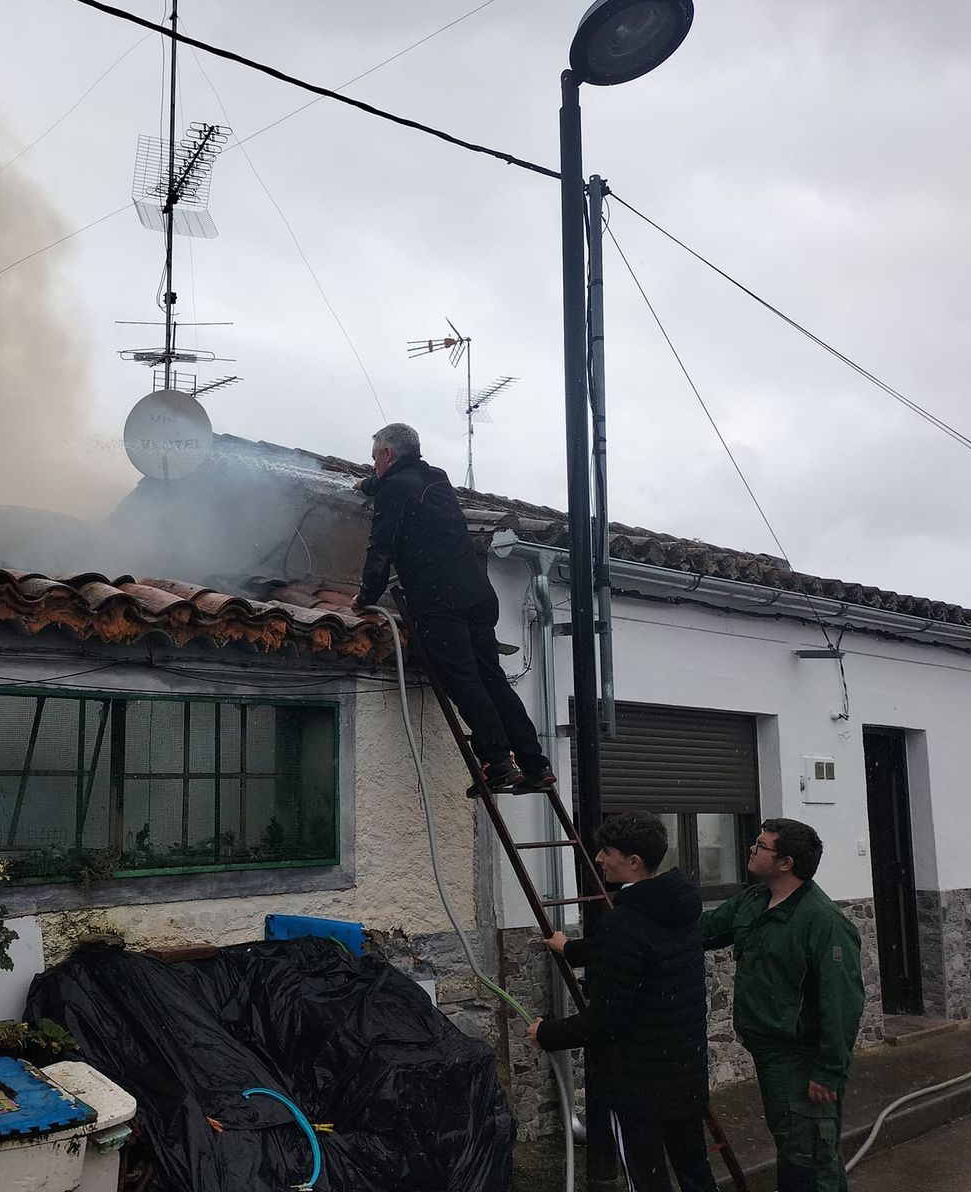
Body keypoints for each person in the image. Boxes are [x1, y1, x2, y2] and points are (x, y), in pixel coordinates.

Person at [349, 422, 553, 790]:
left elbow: (380, 550)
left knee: (463, 680)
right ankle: (535, 765)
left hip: (439, 601)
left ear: (388, 454)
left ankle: (496, 762)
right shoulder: (435, 478)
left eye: (375, 458)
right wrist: (366, 484)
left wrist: (365, 597)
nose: (374, 465)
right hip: (477, 595)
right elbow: (392, 483)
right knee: (492, 679)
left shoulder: (394, 488)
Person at [525, 811, 716, 1192]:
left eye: (607, 852)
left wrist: (546, 1033)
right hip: (684, 1075)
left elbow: (606, 1022)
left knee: (646, 1181)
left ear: (633, 862)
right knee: (695, 1173)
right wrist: (572, 949)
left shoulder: (623, 923)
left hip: (638, 1088)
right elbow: (642, 950)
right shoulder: (677, 909)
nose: (598, 859)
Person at [701, 818, 865, 1192]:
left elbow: (842, 1003)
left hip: (801, 1059)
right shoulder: (755, 900)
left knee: (810, 1158)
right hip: (769, 1052)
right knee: (791, 1145)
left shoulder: (824, 922)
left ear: (786, 863)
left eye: (761, 846)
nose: (752, 848)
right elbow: (704, 930)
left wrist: (829, 1071)